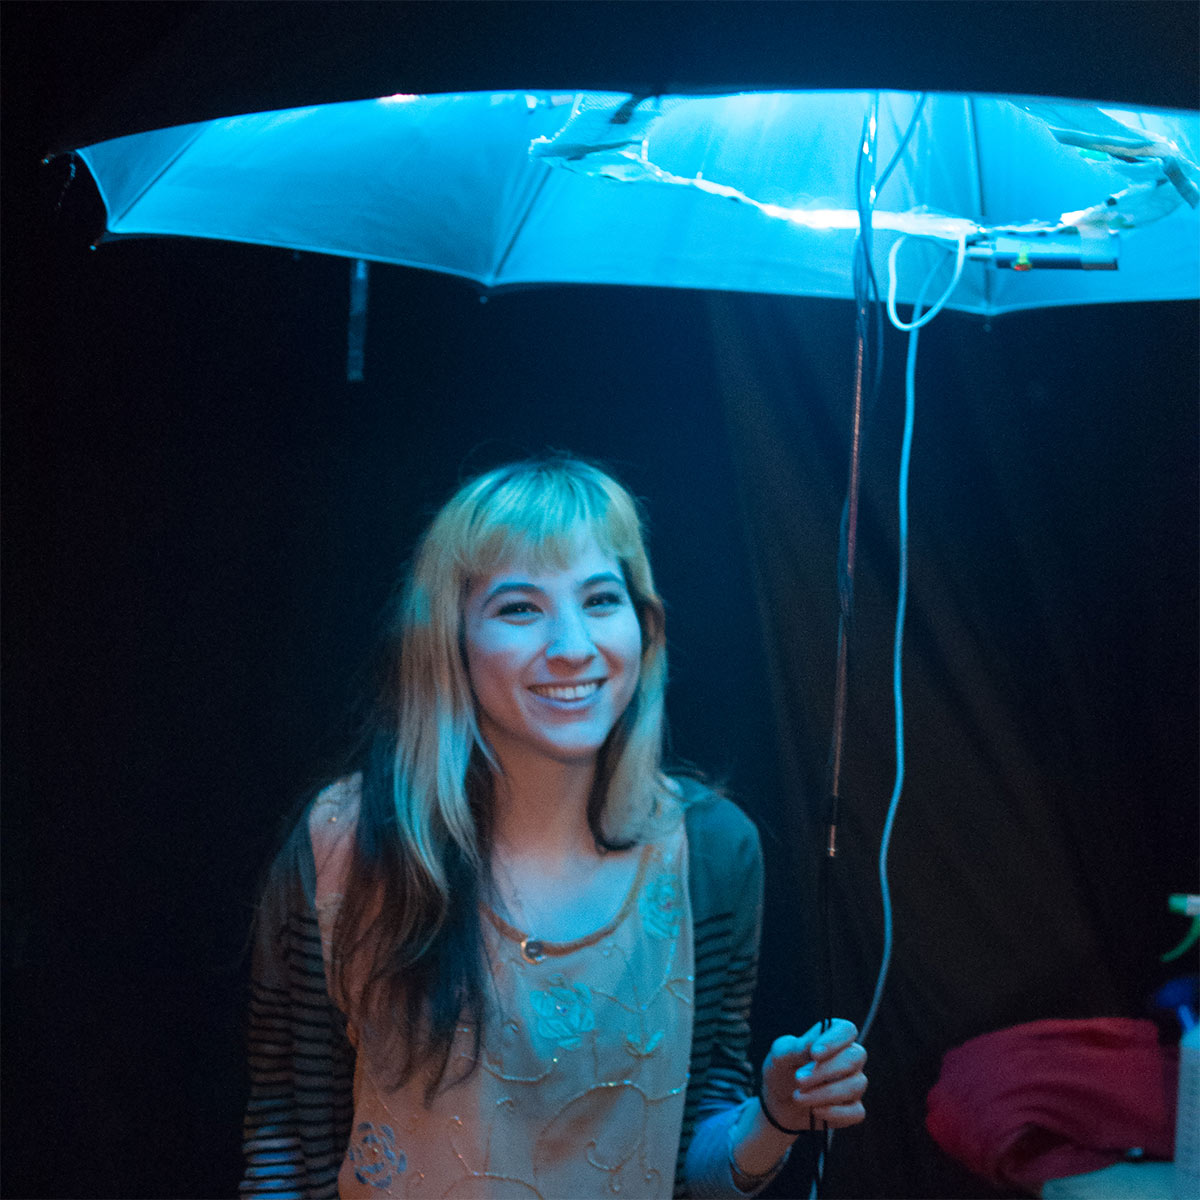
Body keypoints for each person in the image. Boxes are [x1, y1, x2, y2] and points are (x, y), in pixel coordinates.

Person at [241, 455, 867, 1199]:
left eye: (601, 599)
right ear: (450, 641)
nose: (573, 645)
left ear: (645, 626)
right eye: (520, 608)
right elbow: (285, 1136)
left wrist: (775, 1116)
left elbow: (694, 1169)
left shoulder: (714, 852)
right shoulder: (342, 845)